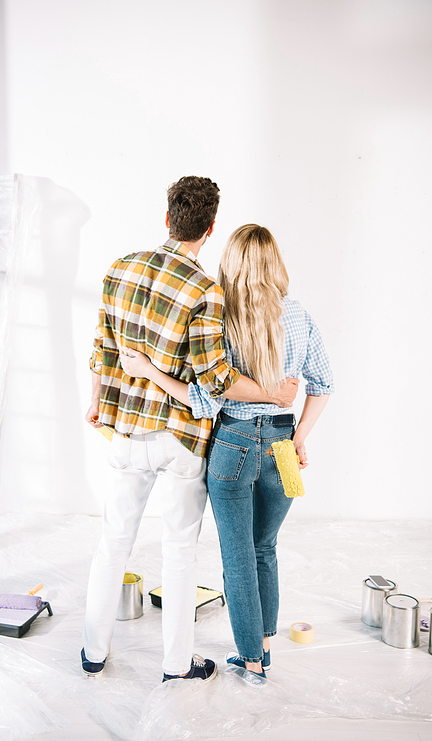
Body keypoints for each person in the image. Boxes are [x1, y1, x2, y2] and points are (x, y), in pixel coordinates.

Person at [82, 181, 299, 683]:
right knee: (179, 551)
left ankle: (94, 653)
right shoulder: (205, 291)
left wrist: (96, 399)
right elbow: (217, 380)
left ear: (166, 219)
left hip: (127, 432)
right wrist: (274, 394)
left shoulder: (120, 268)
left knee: (113, 540)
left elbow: (101, 346)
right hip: (181, 439)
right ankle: (178, 666)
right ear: (210, 228)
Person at [120, 223, 334, 682]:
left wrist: (149, 371)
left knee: (238, 556)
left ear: (231, 263)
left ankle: (251, 660)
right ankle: (265, 647)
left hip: (232, 444)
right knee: (265, 548)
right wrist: (299, 437)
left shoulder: (220, 318)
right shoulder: (299, 316)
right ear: (275, 262)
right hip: (283, 447)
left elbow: (201, 398)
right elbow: (323, 386)